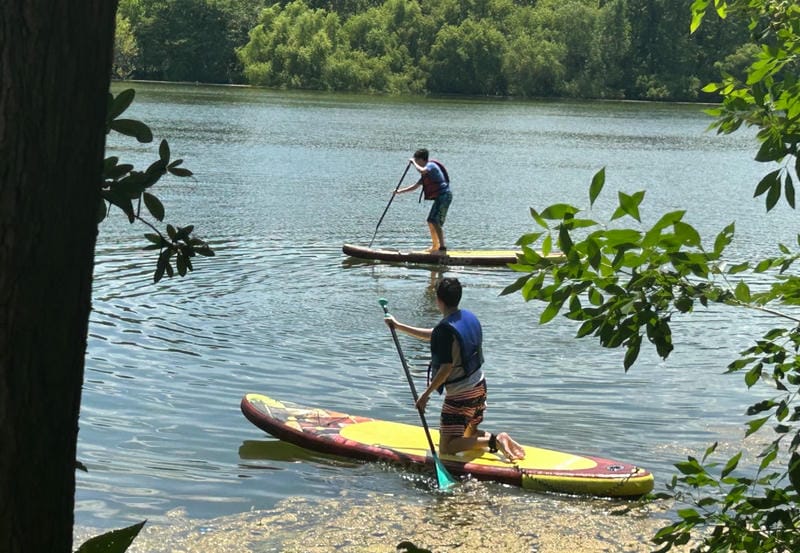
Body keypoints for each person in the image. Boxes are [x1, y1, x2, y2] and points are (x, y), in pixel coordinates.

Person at [384, 277, 526, 461]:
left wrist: (425, 396)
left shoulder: (445, 330)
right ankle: (495, 438)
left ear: (438, 300)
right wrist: (399, 326)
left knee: (447, 447)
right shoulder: (466, 317)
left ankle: (494, 441)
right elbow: (435, 335)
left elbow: (445, 369)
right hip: (479, 386)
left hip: (461, 395)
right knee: (469, 435)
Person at [393, 148, 452, 253]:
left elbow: (421, 170)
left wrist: (413, 163)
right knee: (430, 221)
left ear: (421, 159)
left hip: (444, 196)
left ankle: (442, 249)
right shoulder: (426, 173)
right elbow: (415, 186)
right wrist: (399, 192)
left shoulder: (430, 166)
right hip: (440, 197)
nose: (416, 162)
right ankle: (435, 246)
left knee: (435, 221)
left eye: (417, 160)